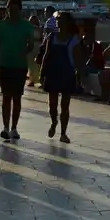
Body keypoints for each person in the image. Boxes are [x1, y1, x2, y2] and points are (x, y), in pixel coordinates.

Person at [0, 0, 33, 141]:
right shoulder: (0, 25)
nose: (12, 12)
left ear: (20, 10)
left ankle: (14, 128)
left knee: (17, 98)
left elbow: (31, 44)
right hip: (5, 65)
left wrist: (25, 51)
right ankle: (5, 127)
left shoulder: (26, 25)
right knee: (6, 97)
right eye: (10, 9)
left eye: (15, 10)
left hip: (20, 66)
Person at [41, 11, 83, 143]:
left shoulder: (74, 39)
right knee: (52, 105)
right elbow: (46, 55)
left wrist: (79, 75)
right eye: (58, 19)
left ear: (68, 22)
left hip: (67, 73)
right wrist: (42, 71)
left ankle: (63, 133)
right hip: (53, 72)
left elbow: (78, 60)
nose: (58, 21)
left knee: (65, 105)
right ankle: (54, 122)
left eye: (61, 19)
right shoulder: (51, 36)